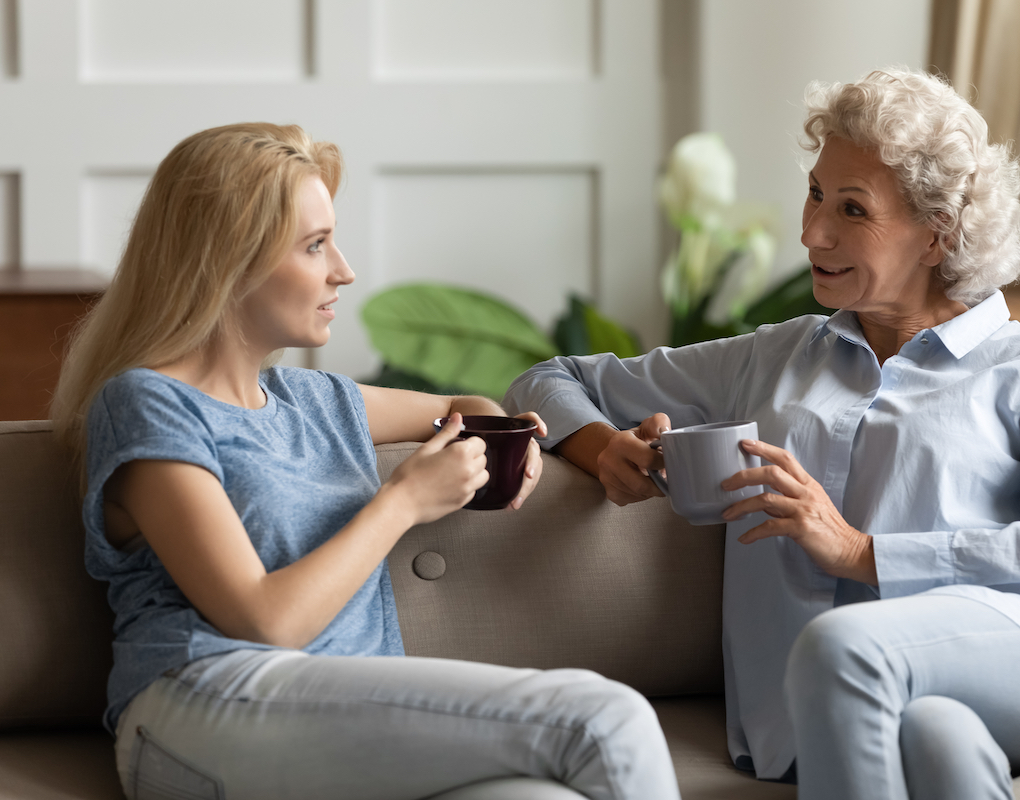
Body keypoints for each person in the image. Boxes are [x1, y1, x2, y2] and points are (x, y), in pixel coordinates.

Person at [504, 69, 1020, 800]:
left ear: (937, 235)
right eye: (814, 193)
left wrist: (863, 553)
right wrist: (601, 447)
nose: (811, 233)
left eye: (851, 209)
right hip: (833, 713)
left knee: (844, 652)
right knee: (937, 739)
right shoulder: (771, 358)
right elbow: (549, 378)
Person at [51, 123, 681, 800]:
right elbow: (265, 622)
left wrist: (505, 434)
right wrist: (404, 501)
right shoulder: (148, 402)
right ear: (228, 260)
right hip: (203, 700)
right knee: (605, 721)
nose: (343, 270)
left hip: (333, 715)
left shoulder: (313, 399)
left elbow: (460, 403)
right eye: (315, 245)